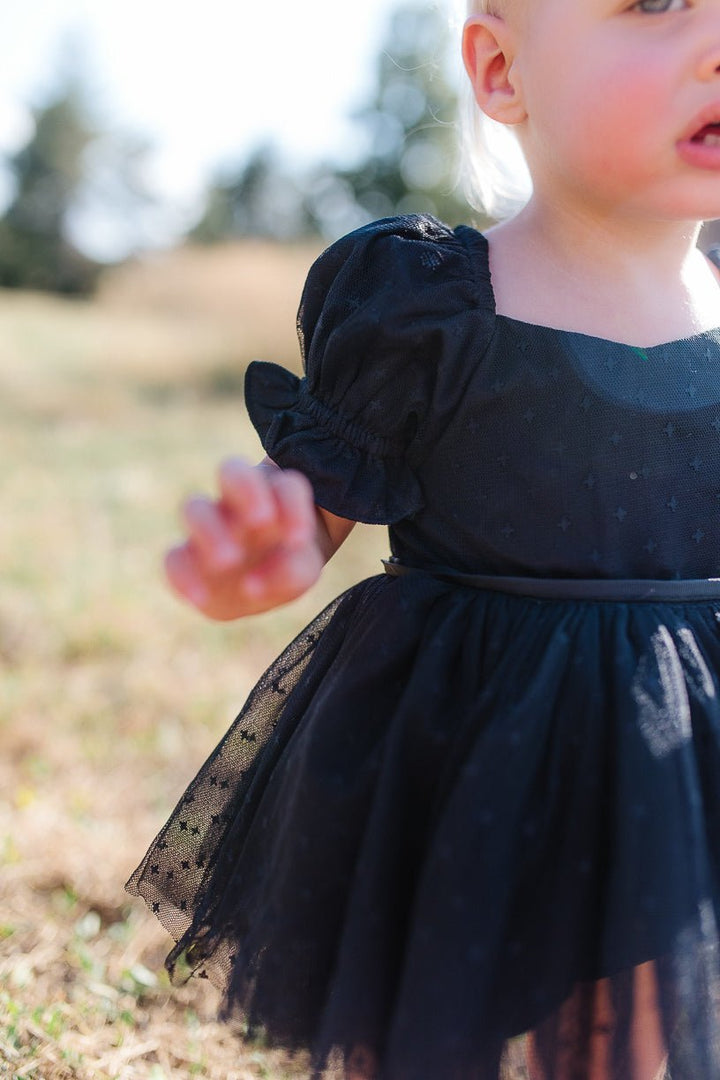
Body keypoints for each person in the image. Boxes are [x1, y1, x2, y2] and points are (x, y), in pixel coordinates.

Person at [127, 0, 720, 1075]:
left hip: (674, 755)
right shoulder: (428, 303)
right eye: (655, 2)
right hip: (462, 736)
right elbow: (320, 506)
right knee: (420, 1020)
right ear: (502, 68)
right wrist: (273, 549)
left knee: (646, 1028)